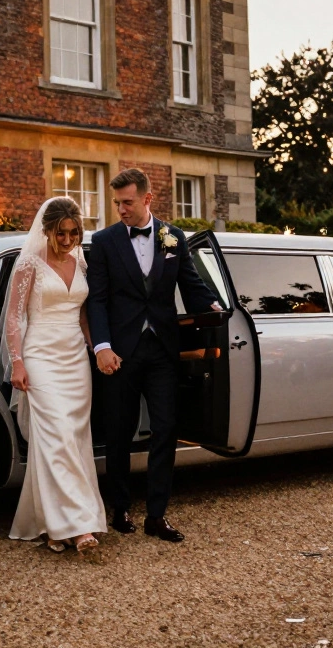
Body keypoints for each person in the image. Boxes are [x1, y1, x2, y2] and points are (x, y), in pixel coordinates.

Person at [86, 168, 221, 543]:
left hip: (163, 349)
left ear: (147, 199)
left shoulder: (172, 237)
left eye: (127, 202)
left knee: (165, 429)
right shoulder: (104, 241)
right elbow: (96, 299)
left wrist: (214, 306)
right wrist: (102, 346)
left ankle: (157, 515)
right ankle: (121, 508)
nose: (121, 209)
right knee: (119, 433)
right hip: (120, 353)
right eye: (117, 203)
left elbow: (190, 285)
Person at [3, 197, 107, 553]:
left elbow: (82, 314)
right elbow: (15, 318)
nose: (67, 240)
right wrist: (17, 362)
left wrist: (98, 349)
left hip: (75, 358)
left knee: (74, 438)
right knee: (57, 435)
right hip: (40, 356)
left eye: (73, 233)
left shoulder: (80, 259)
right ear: (46, 230)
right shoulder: (29, 263)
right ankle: (79, 526)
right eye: (60, 233)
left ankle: (53, 523)